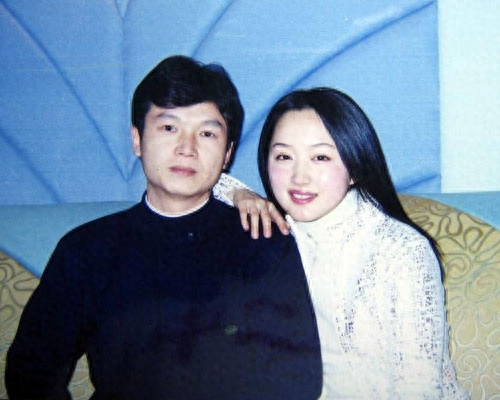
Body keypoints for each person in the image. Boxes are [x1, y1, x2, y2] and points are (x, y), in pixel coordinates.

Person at [6, 56, 323, 400]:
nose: (187, 148)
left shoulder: (263, 239)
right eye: (169, 128)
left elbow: (297, 376)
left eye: (207, 133)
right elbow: (31, 371)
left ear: (227, 153)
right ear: (137, 140)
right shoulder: (86, 250)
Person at [230, 87, 469, 399]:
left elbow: (419, 388)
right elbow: (198, 183)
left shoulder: (400, 250)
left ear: (355, 167)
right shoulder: (277, 231)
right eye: (284, 157)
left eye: (320, 157)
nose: (299, 177)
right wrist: (239, 193)